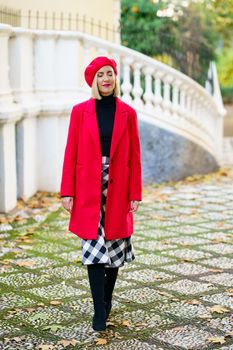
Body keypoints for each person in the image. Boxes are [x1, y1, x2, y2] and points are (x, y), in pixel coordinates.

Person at [60, 56, 142, 332]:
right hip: (87, 186)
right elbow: (70, 153)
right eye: (101, 75)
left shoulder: (127, 113)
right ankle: (99, 310)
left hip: (118, 186)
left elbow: (134, 156)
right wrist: (66, 192)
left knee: (115, 246)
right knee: (93, 247)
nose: (106, 78)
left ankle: (106, 301)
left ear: (115, 78)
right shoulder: (79, 111)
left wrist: (135, 193)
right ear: (93, 80)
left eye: (110, 73)